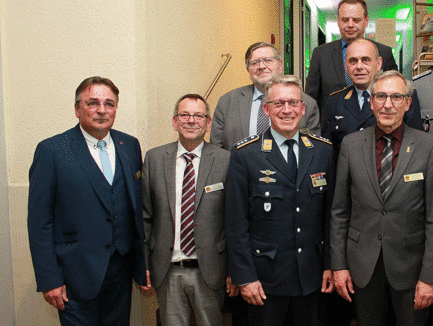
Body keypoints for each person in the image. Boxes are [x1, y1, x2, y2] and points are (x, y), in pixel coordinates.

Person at [28, 76, 147, 325]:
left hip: (120, 271)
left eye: (109, 104)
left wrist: (141, 263)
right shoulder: (52, 150)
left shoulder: (130, 145)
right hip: (74, 275)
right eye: (92, 103)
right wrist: (50, 279)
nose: (102, 110)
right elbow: (40, 222)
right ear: (77, 109)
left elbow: (136, 211)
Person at [330, 70, 433, 326]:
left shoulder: (428, 146)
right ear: (371, 102)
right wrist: (338, 266)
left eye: (396, 96)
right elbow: (340, 211)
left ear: (408, 103)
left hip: (411, 268)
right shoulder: (351, 144)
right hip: (363, 266)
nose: (388, 104)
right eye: (380, 96)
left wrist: (430, 276)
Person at [225, 75, 335, 326]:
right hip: (264, 280)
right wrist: (245, 276)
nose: (287, 110)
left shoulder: (322, 151)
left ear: (303, 108)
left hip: (310, 276)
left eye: (294, 103)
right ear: (266, 109)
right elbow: (236, 223)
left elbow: (331, 217)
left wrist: (331, 265)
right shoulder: (246, 154)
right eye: (279, 103)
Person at [142, 94, 235, 325]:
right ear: (175, 122)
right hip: (167, 269)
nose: (191, 120)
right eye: (184, 115)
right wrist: (142, 263)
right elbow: (145, 216)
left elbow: (234, 220)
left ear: (208, 123)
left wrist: (235, 269)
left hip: (211, 271)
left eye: (198, 115)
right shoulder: (154, 159)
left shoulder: (226, 160)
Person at [322, 38, 421, 162]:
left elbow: (416, 143)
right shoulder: (335, 101)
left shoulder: (402, 96)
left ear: (379, 63)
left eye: (365, 60)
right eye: (353, 61)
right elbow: (327, 152)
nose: (359, 67)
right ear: (346, 66)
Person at [210, 42, 320, 151]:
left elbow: (313, 150)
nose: (261, 66)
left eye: (268, 60)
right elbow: (216, 153)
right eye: (254, 63)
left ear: (280, 65)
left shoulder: (307, 103)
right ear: (248, 69)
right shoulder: (227, 102)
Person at [306, 0, 398, 110]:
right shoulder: (321, 54)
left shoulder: (384, 52)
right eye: (345, 20)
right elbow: (311, 99)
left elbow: (395, 92)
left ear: (366, 21)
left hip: (373, 123)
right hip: (333, 124)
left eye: (356, 20)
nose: (350, 25)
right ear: (338, 21)